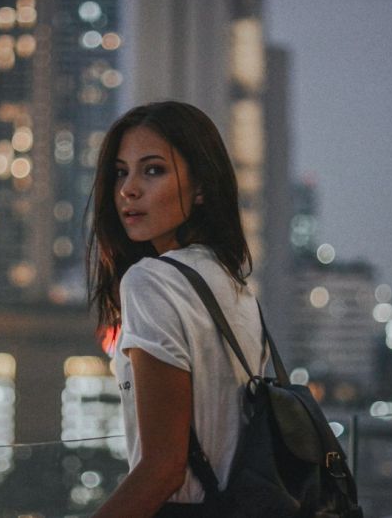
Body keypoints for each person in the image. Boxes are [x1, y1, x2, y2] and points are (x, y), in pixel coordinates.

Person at [87, 101, 268, 517]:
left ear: (201, 186)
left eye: (153, 170)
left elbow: (164, 470)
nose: (128, 189)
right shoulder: (230, 283)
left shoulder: (149, 281)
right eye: (121, 172)